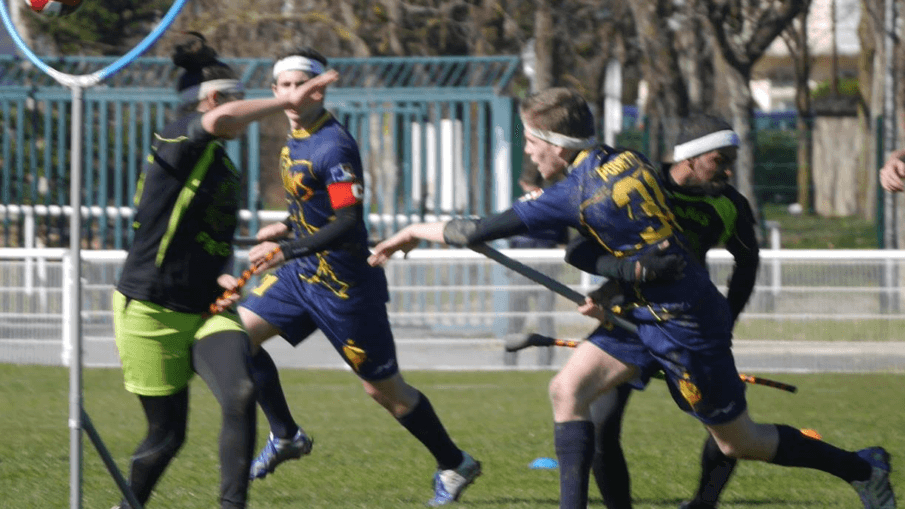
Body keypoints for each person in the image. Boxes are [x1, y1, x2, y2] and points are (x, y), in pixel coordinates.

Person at [367, 87, 896, 509]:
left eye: (531, 142)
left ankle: (863, 468)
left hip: (682, 323)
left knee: (741, 442)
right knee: (567, 389)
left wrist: (414, 229)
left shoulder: (573, 192)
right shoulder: (624, 158)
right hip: (641, 313)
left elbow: (476, 229)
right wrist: (617, 279)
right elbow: (625, 244)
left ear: (555, 142)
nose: (528, 151)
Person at [235, 46, 481, 507]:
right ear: (273, 91)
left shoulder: (334, 144)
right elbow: (318, 206)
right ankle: (286, 436)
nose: (291, 94)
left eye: (300, 84)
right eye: (283, 86)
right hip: (299, 276)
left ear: (320, 89)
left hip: (343, 287)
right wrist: (287, 225)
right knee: (234, 339)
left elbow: (347, 222)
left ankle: (454, 462)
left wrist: (283, 247)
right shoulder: (294, 138)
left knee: (383, 390)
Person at [111, 34, 337, 509]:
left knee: (240, 391)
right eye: (239, 99)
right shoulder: (176, 138)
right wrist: (284, 99)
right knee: (166, 436)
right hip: (150, 311)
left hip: (206, 308)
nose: (246, 110)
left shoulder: (223, 167)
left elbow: (206, 237)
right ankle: (129, 503)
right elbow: (220, 120)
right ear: (213, 100)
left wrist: (225, 271)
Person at [565, 114, 758, 509]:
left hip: (684, 325)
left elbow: (748, 263)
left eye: (730, 160)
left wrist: (727, 321)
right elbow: (598, 246)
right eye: (720, 159)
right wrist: (606, 292)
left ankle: (703, 503)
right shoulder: (637, 186)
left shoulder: (729, 204)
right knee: (601, 426)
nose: (728, 169)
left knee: (728, 429)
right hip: (626, 322)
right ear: (690, 157)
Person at [507, 170, 570, 365]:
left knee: (515, 318)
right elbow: (563, 240)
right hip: (547, 267)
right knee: (545, 318)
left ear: (522, 183)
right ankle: (545, 363)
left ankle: (510, 361)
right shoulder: (553, 205)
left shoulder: (518, 206)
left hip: (521, 265)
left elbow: (509, 236)